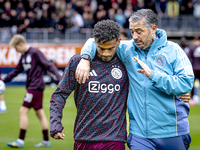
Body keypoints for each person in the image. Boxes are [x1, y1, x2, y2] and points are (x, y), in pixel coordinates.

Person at [76, 9, 194, 150]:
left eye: (139, 31)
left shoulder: (174, 50)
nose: (135, 36)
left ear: (153, 29)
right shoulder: (127, 49)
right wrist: (85, 58)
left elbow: (186, 83)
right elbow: (92, 41)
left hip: (172, 131)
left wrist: (153, 75)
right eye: (132, 31)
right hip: (140, 135)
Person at [50, 20, 129, 150]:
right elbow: (60, 94)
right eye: (101, 48)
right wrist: (55, 123)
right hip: (84, 137)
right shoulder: (77, 62)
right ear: (94, 42)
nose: (106, 53)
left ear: (119, 42)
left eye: (111, 48)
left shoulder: (126, 63)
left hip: (114, 139)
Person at [3, 34, 61, 148]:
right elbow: (16, 71)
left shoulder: (35, 53)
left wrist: (60, 78)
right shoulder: (23, 56)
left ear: (20, 44)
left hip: (35, 87)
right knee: (39, 113)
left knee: (22, 111)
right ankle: (46, 141)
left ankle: (20, 140)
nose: (16, 50)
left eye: (16, 48)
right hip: (34, 88)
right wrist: (3, 81)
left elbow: (49, 65)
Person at [188, 36, 200, 106]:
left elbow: (189, 58)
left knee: (192, 83)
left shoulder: (191, 47)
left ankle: (193, 98)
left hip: (194, 67)